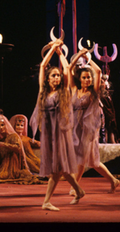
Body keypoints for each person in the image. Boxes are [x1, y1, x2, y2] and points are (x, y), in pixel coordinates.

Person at [30, 38, 85, 211]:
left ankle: (46, 201)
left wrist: (60, 53)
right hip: (48, 133)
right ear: (47, 79)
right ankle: (79, 190)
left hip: (60, 134)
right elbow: (42, 66)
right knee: (60, 168)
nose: (57, 77)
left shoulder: (64, 91)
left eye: (58, 75)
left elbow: (67, 69)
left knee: (57, 169)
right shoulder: (42, 91)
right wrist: (52, 49)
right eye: (53, 75)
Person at [68, 48, 120, 194]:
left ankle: (75, 187)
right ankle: (113, 180)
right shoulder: (74, 90)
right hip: (77, 129)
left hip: (90, 130)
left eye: (88, 78)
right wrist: (78, 55)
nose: (87, 80)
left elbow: (97, 72)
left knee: (81, 159)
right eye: (84, 77)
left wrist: (88, 59)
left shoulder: (94, 92)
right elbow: (68, 70)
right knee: (92, 162)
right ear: (79, 79)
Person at [0, 115, 45, 184]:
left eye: (2, 125)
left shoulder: (13, 136)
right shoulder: (1, 140)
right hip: (4, 167)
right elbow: (0, 160)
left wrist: (4, 145)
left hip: (14, 167)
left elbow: (18, 148)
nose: (1, 128)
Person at [99, 73, 119, 143]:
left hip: (109, 118)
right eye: (100, 82)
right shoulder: (98, 95)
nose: (102, 84)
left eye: (103, 82)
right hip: (102, 117)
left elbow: (111, 108)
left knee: (110, 132)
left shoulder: (107, 95)